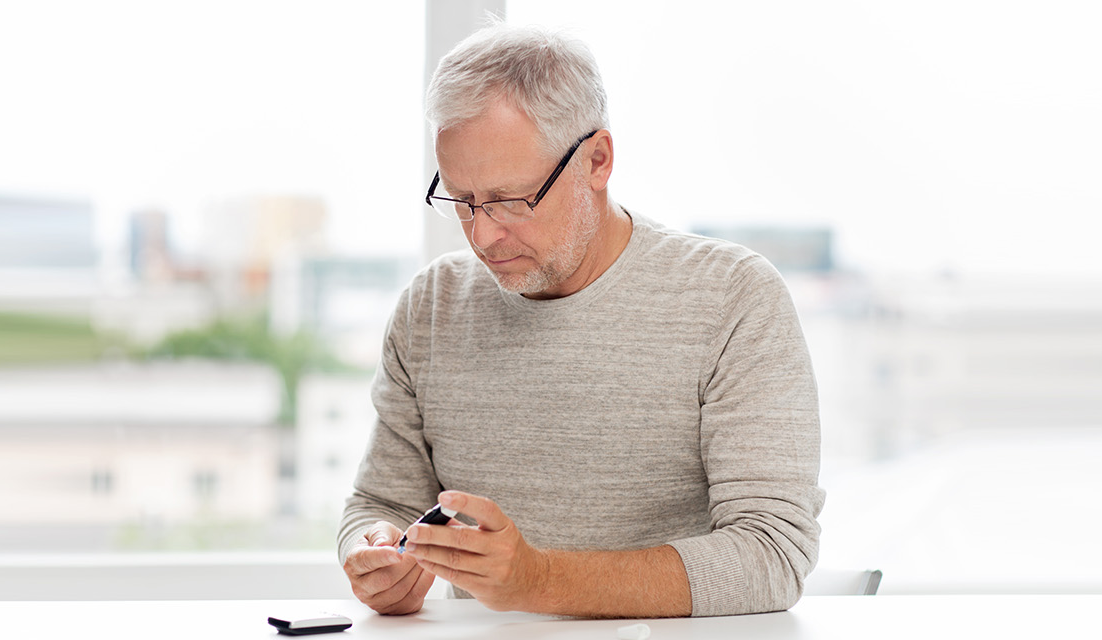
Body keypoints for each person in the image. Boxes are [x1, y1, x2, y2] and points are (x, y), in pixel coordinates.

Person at [338, 23, 823, 619]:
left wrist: (539, 581)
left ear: (597, 160)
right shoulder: (431, 306)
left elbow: (772, 555)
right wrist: (375, 553)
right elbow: (380, 503)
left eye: (510, 200)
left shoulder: (732, 297)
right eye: (462, 200)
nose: (482, 235)